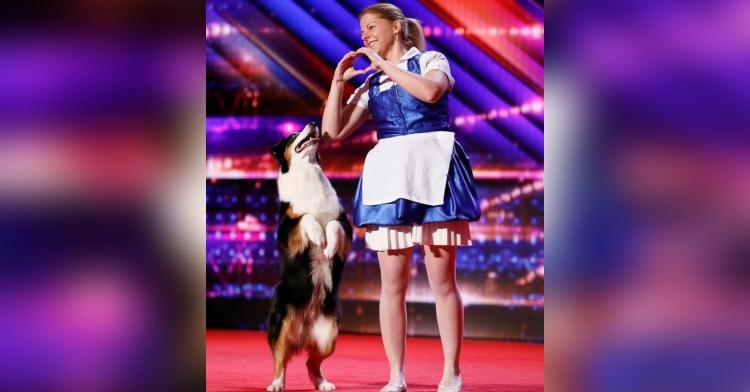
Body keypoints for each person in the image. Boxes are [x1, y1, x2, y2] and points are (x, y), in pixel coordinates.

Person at [321, 3, 480, 392]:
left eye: (372, 28)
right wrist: (338, 82)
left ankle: (451, 372)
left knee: (442, 281)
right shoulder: (371, 84)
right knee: (391, 285)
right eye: (362, 32)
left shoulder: (429, 59)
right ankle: (396, 375)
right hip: (390, 176)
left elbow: (430, 91)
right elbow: (332, 131)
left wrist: (380, 62)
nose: (366, 36)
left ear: (396, 28)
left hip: (433, 169)